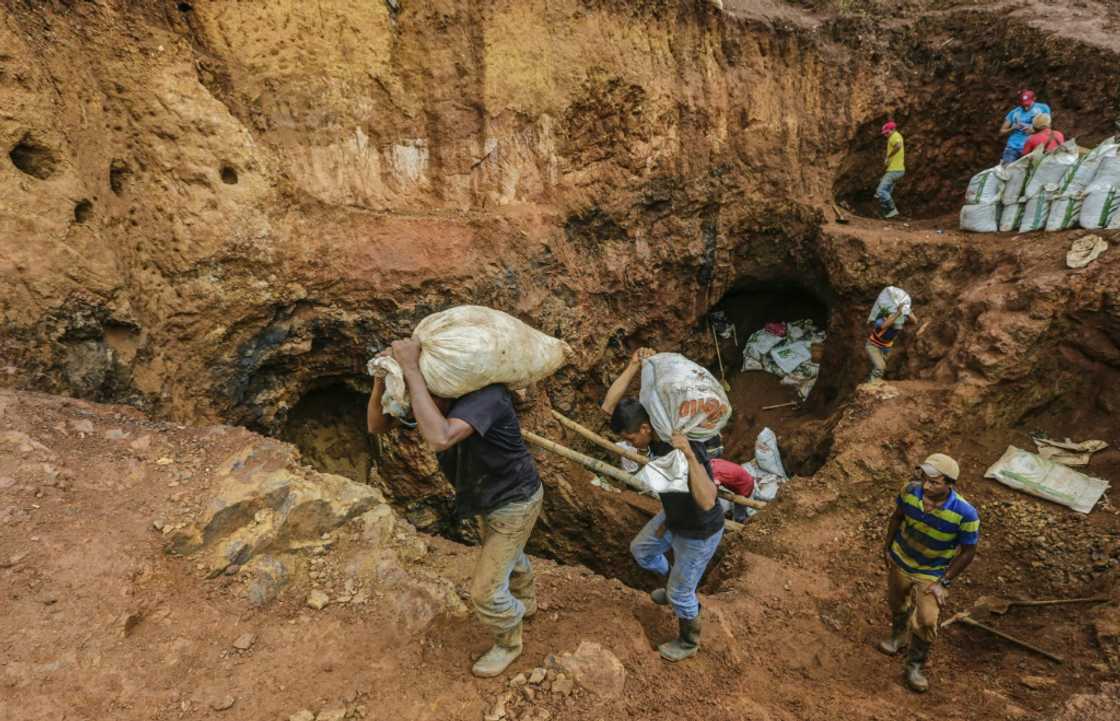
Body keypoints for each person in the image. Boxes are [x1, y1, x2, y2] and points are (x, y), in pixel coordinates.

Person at [367, 340, 544, 678]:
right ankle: (527, 601)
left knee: (485, 591)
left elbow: (440, 437)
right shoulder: (429, 393)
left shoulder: (487, 398)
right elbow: (378, 426)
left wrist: (412, 372)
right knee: (508, 554)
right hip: (484, 496)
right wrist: (380, 379)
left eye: (419, 389)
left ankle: (509, 641)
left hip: (516, 498)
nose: (414, 404)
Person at [601, 348, 724, 662]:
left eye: (630, 439)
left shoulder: (679, 441)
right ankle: (672, 584)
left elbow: (708, 500)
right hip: (673, 515)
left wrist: (688, 454)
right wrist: (632, 365)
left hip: (699, 530)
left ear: (644, 430)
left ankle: (688, 640)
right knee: (642, 550)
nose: (630, 446)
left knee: (683, 593)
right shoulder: (654, 421)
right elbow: (607, 405)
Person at [879, 453, 979, 693]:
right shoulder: (910, 492)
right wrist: (887, 547)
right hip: (902, 559)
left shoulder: (966, 514)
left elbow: (968, 552)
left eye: (934, 482)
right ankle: (898, 637)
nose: (926, 485)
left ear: (950, 484)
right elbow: (897, 517)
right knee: (897, 600)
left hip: (932, 572)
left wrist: (944, 582)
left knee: (926, 619)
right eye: (924, 479)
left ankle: (915, 665)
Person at [865, 303, 918, 383]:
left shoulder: (900, 318)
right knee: (880, 366)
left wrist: (908, 311)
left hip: (886, 347)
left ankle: (875, 382)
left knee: (881, 367)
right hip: (873, 346)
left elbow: (915, 321)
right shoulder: (880, 320)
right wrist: (898, 313)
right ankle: (872, 384)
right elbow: (884, 326)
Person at [999, 89, 1052, 165]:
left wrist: (1034, 130)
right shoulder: (1014, 112)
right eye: (1023, 105)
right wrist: (1013, 127)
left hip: (1033, 147)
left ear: (1034, 98)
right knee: (1006, 172)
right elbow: (1001, 132)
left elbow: (1048, 126)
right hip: (1013, 148)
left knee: (1029, 173)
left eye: (1028, 104)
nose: (1026, 107)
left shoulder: (1043, 108)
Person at [876, 121, 905, 219]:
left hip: (895, 170)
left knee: (880, 191)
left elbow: (898, 146)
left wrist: (888, 156)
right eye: (884, 133)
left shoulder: (895, 136)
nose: (885, 135)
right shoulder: (894, 136)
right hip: (895, 170)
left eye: (887, 133)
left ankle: (892, 210)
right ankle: (887, 214)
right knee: (886, 191)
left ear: (893, 130)